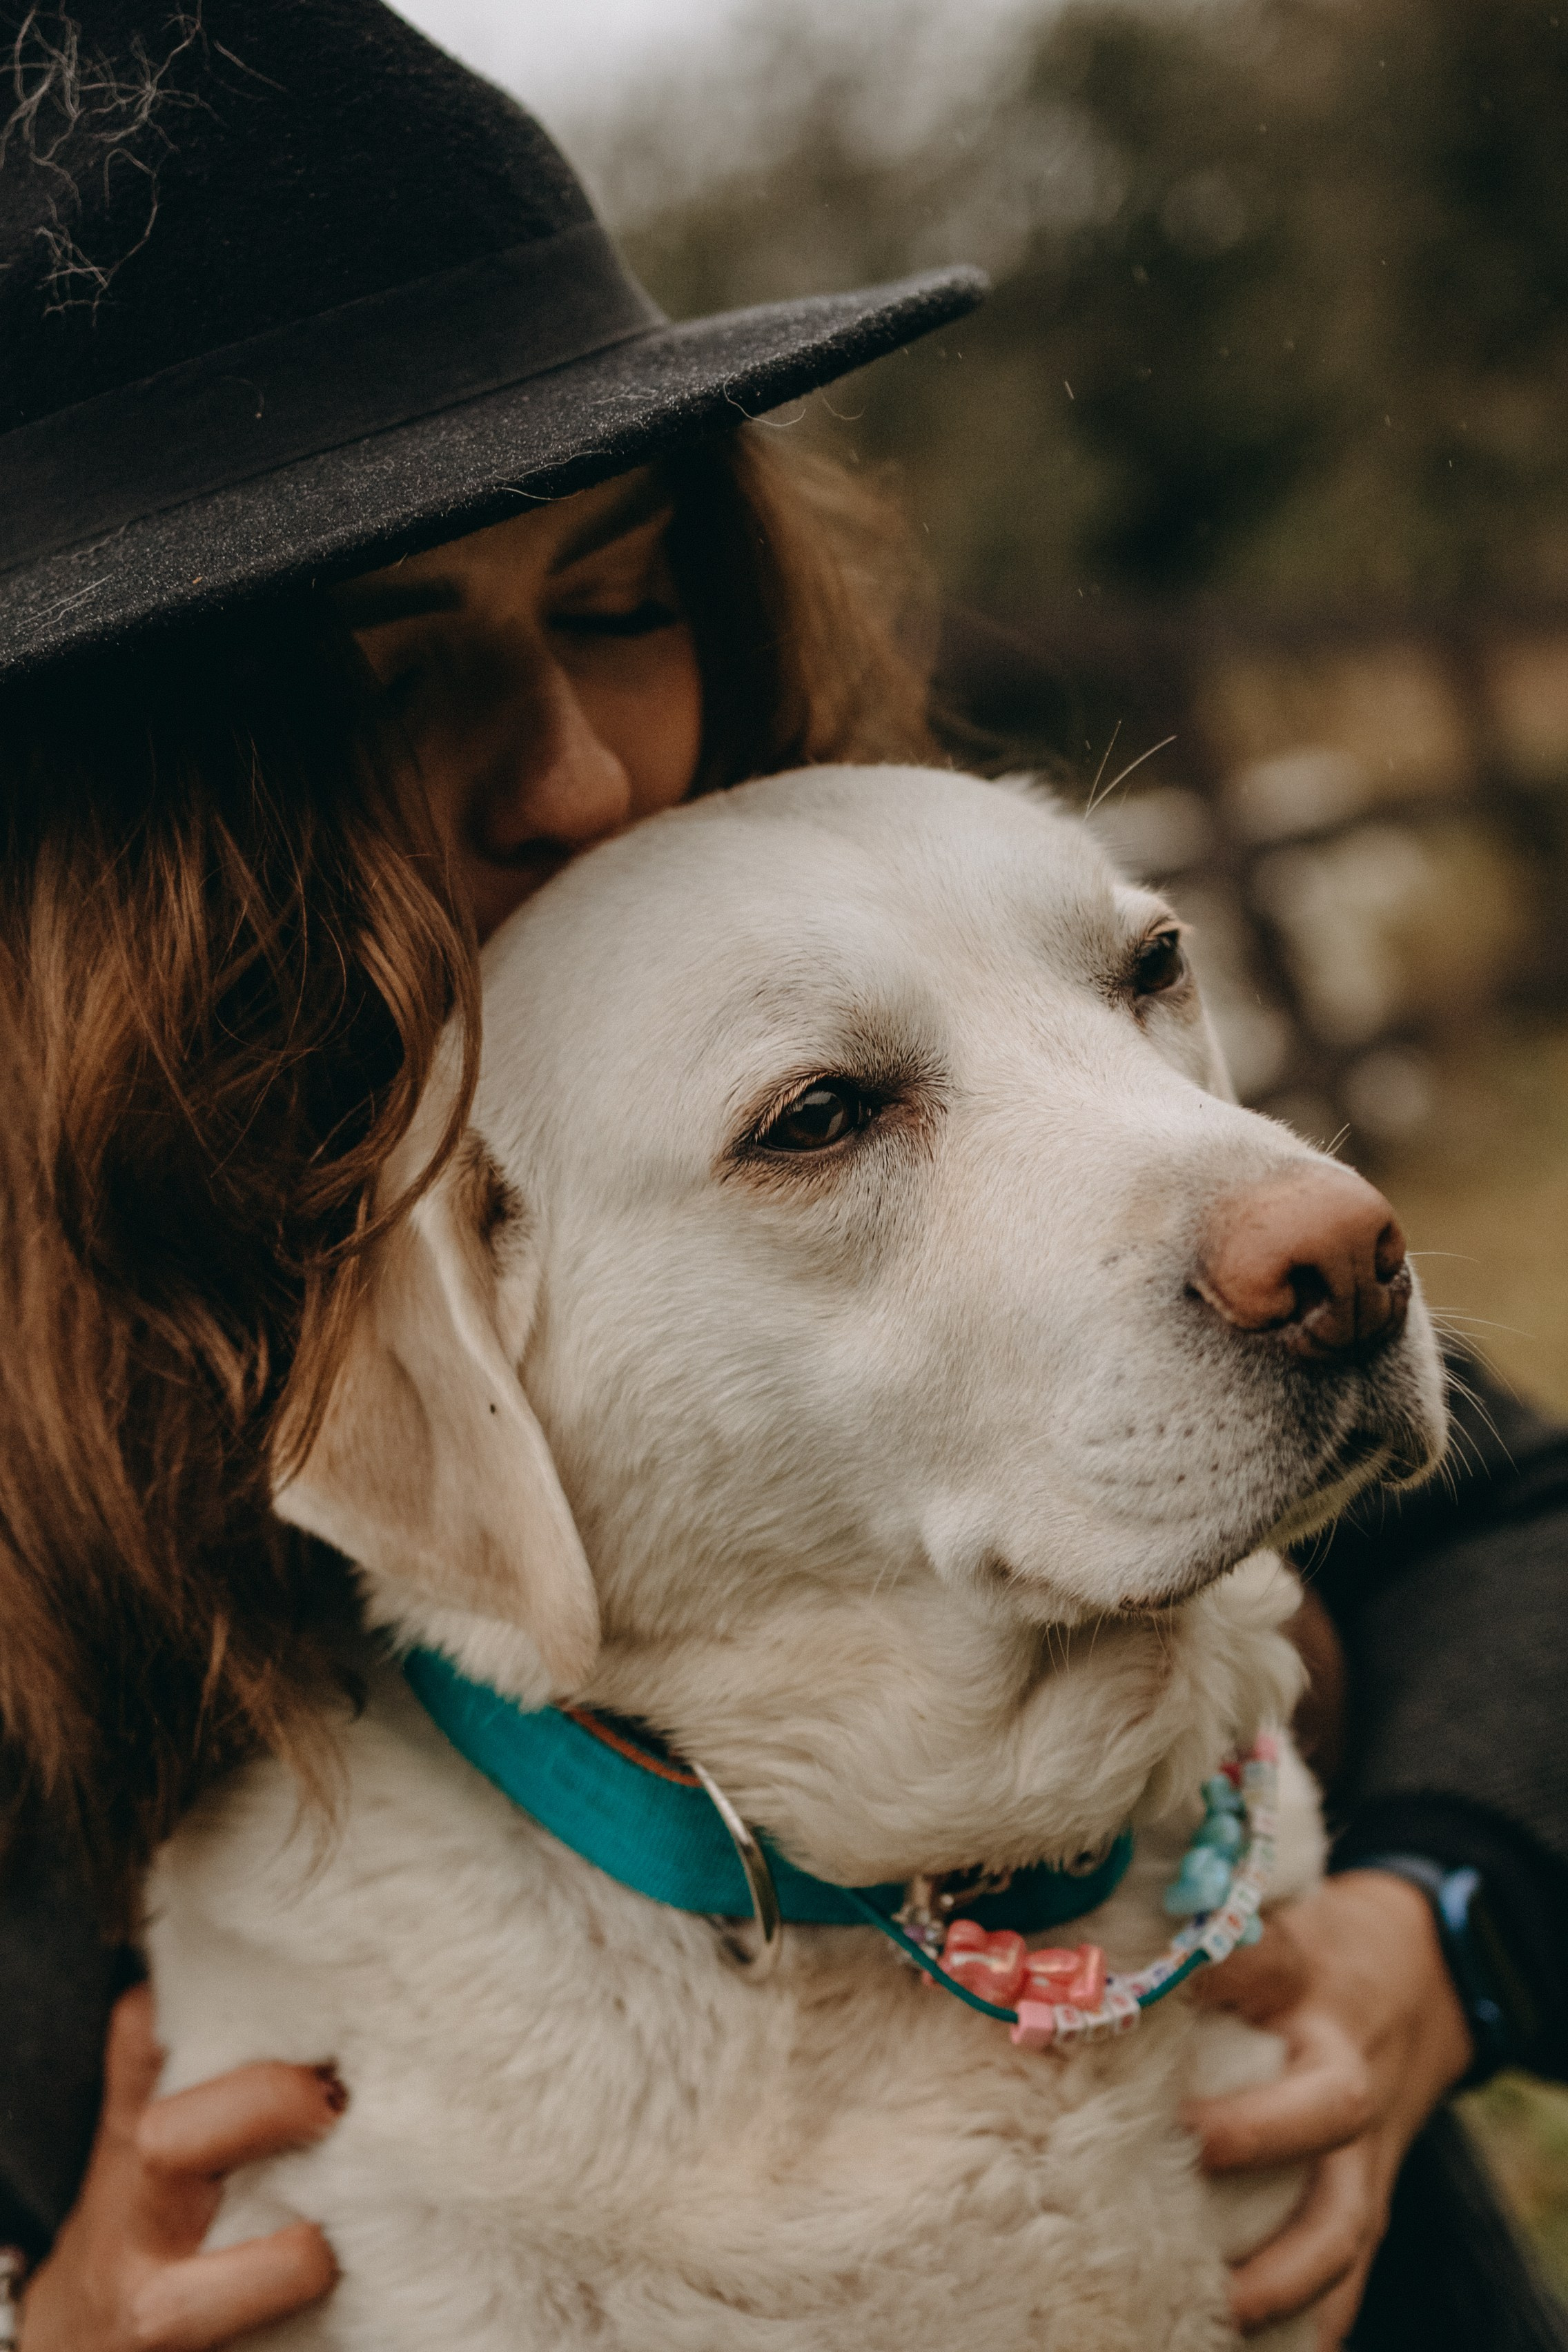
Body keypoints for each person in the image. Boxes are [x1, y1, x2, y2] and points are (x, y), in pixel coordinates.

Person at [0, 6, 1563, 2351]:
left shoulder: (846, 910)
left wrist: (1427, 1932)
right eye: (376, 682)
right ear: (91, 835)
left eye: (621, 603)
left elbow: (1515, 1534)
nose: (574, 777)